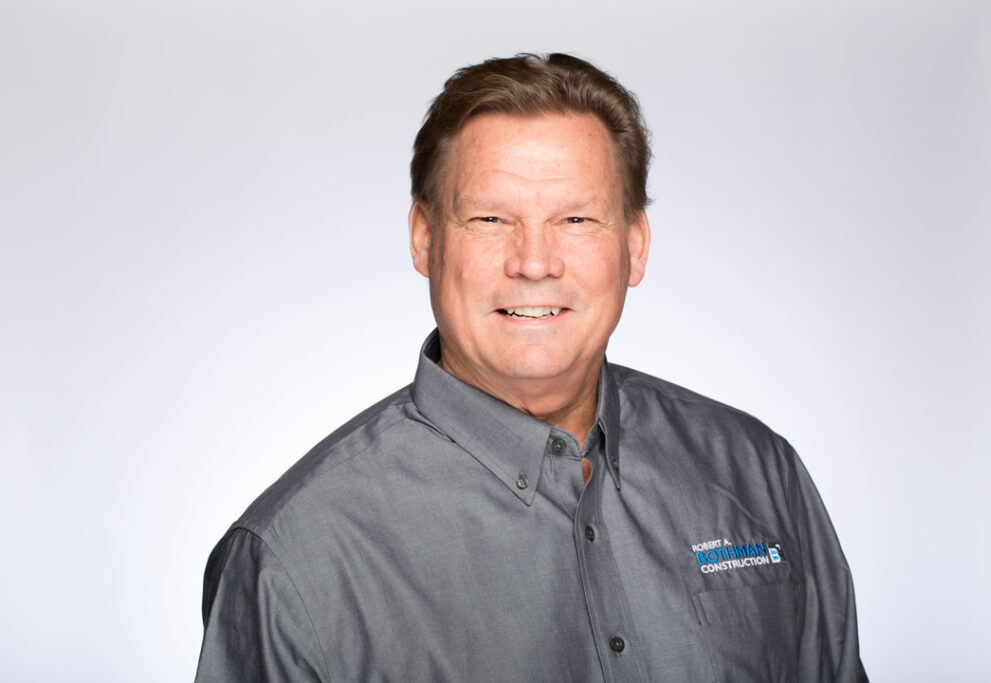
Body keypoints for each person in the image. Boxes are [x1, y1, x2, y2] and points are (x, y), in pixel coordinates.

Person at [195, 53, 867, 682]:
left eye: (576, 219)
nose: (535, 262)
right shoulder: (293, 558)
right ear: (424, 238)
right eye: (491, 218)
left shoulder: (758, 474)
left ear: (635, 246)